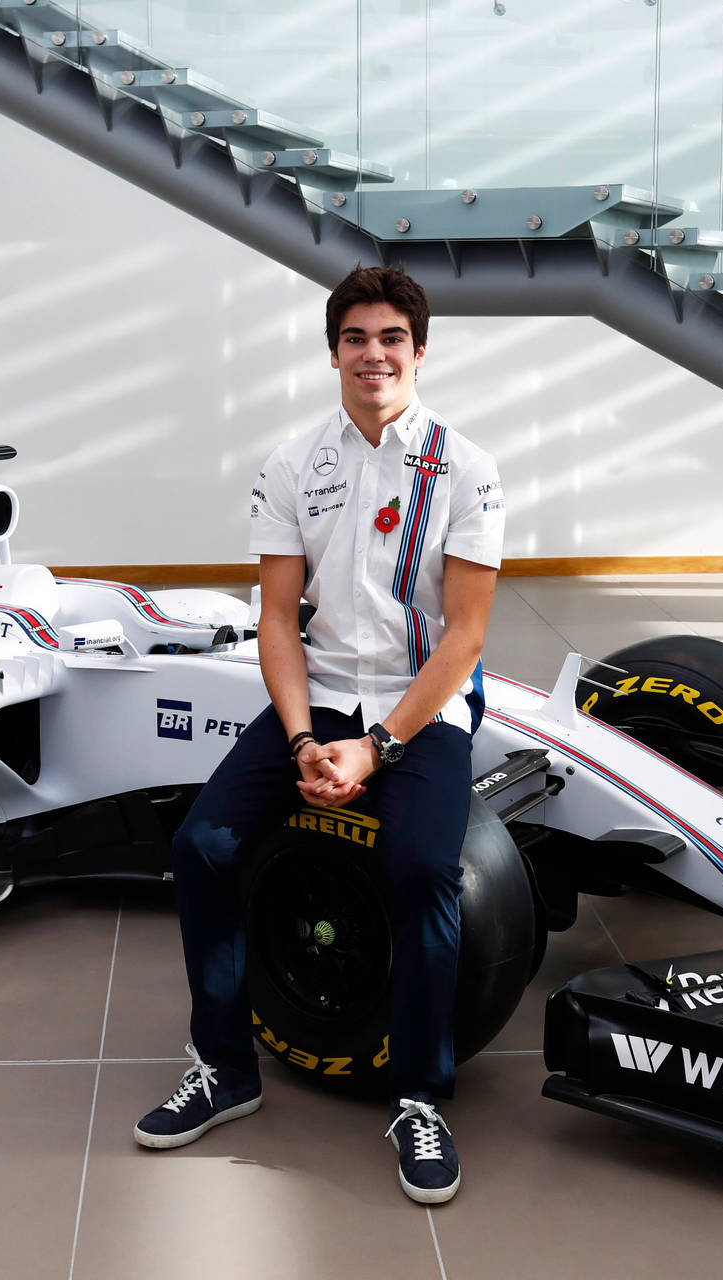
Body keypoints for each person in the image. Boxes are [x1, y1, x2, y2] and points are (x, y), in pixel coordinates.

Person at [133, 264, 505, 1205]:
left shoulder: (467, 468)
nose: (373, 355)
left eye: (391, 339)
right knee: (203, 846)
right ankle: (224, 1068)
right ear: (334, 351)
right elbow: (276, 620)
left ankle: (419, 1097)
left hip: (420, 707)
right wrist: (304, 743)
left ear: (420, 351)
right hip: (323, 696)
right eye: (355, 339)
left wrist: (378, 747)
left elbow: (465, 636)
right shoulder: (294, 465)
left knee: (423, 870)